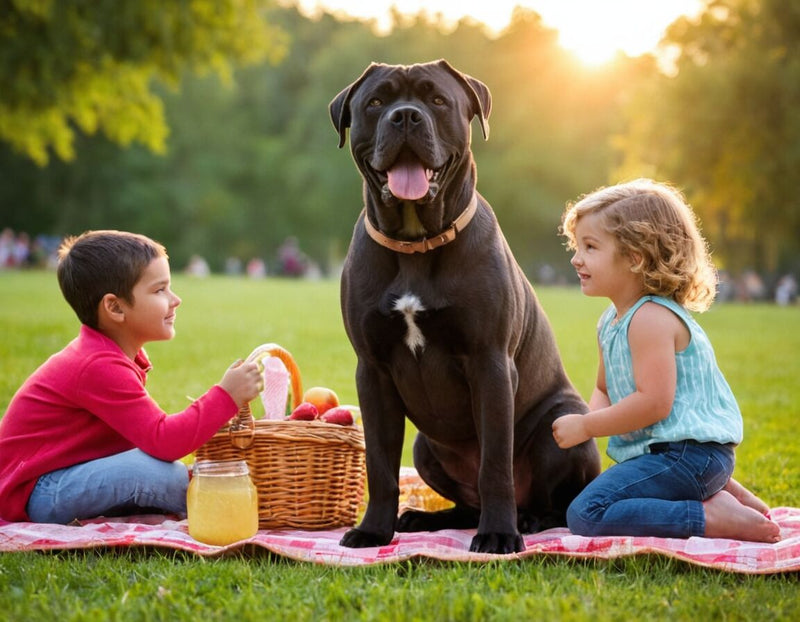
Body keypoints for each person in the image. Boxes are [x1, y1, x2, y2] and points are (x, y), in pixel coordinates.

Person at [552, 179, 780, 543]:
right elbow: (603, 388)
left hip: (689, 455)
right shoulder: (610, 322)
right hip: (678, 455)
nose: (576, 258)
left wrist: (588, 426)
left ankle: (706, 514)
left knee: (585, 514)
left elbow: (655, 403)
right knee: (608, 493)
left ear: (634, 257)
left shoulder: (650, 319)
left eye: (590, 247)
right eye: (576, 246)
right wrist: (585, 433)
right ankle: (723, 494)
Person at [0, 230, 263, 523]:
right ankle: (237, 503)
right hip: (35, 492)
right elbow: (164, 440)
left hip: (62, 477)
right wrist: (226, 396)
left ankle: (154, 508)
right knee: (160, 475)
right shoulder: (97, 365)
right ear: (115, 307)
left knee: (157, 468)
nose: (175, 299)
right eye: (159, 290)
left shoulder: (111, 355)